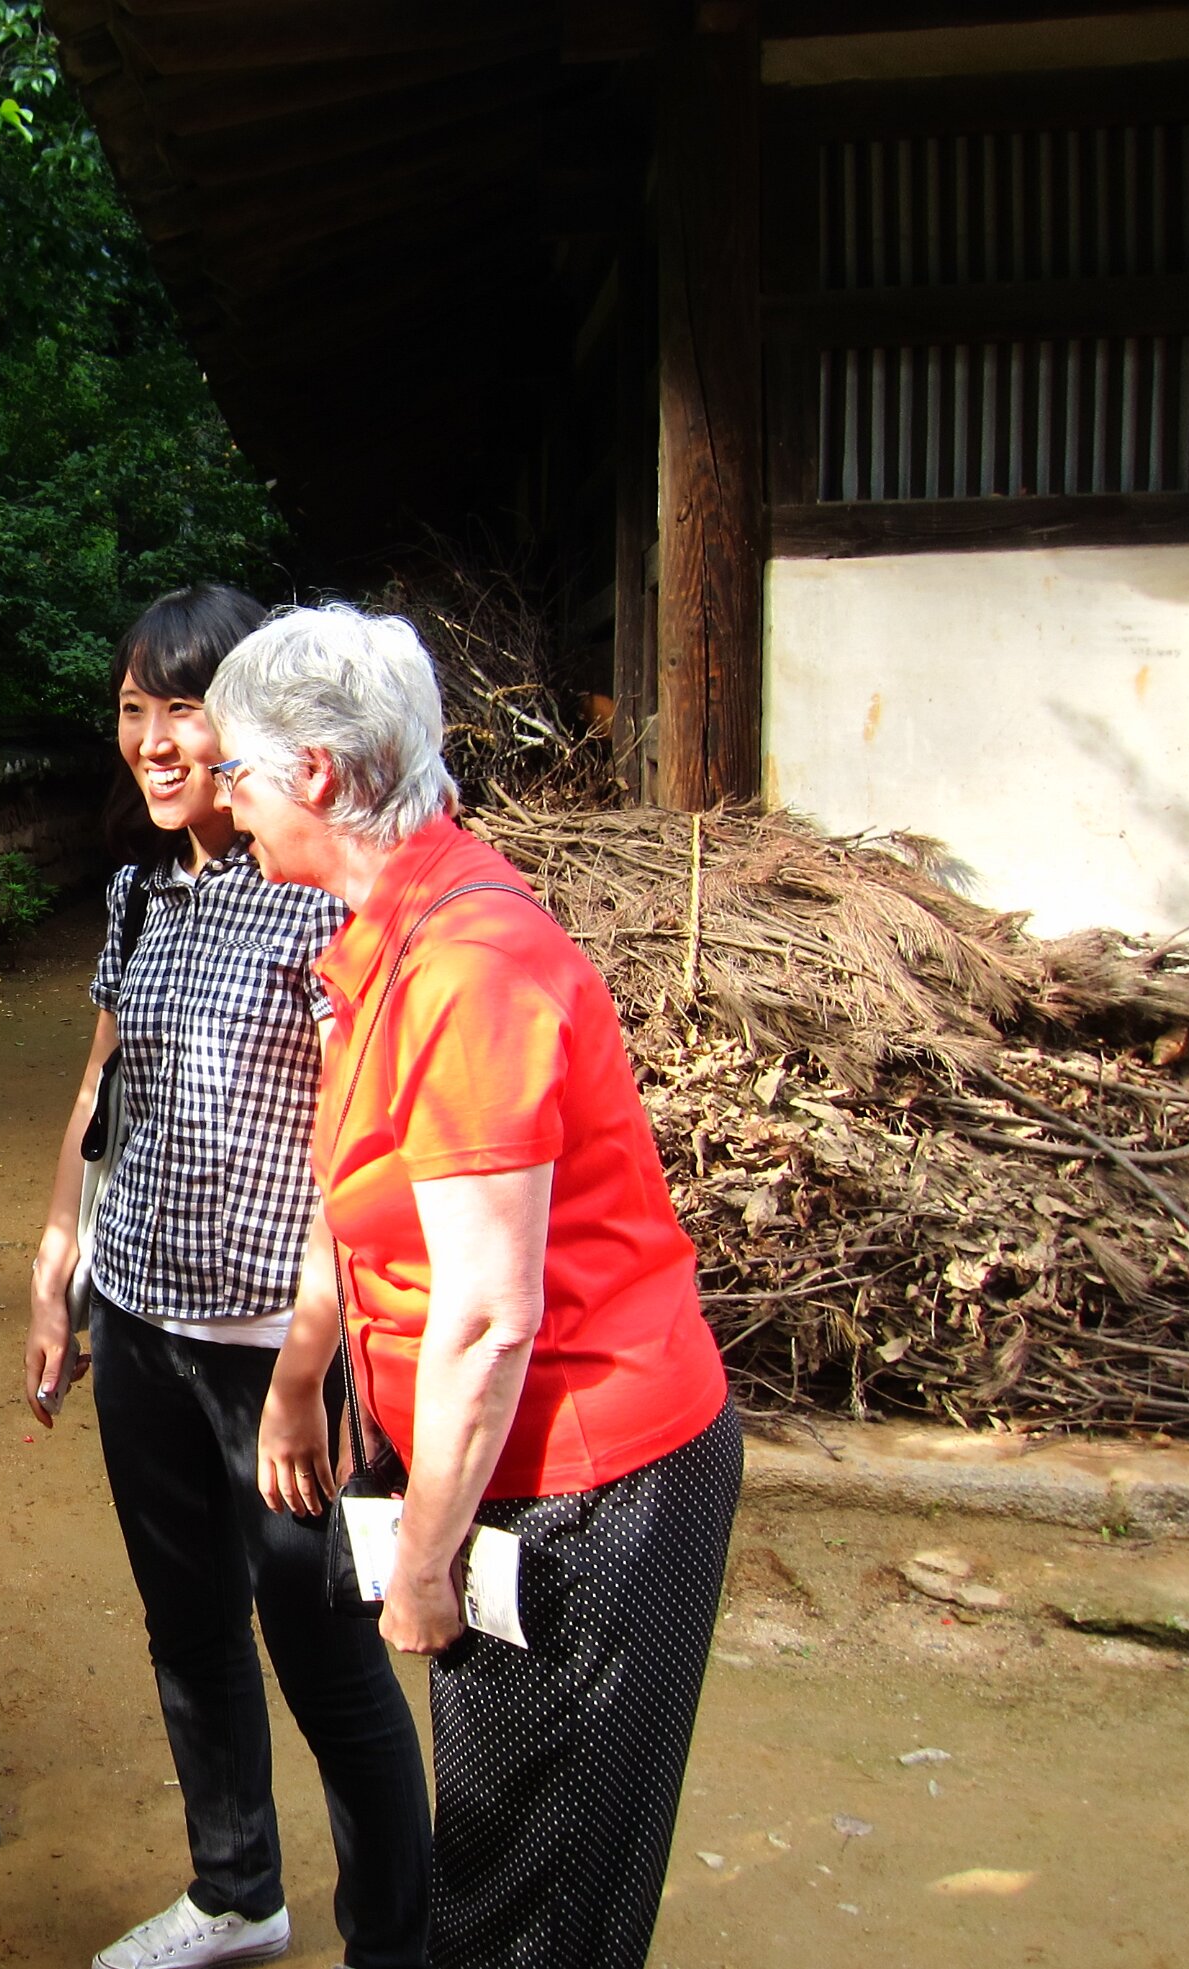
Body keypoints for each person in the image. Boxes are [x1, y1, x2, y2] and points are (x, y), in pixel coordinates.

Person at [207, 605, 742, 1969]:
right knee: (504, 1860)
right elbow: (364, 1200)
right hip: (503, 1464)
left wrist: (428, 1559)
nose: (224, 800)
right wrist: (308, 1376)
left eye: (236, 770)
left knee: (531, 1899)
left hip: (582, 1482)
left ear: (314, 773)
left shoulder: (466, 966)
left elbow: (491, 1312)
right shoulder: (389, 929)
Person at [26, 587, 432, 1969]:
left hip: (279, 1349)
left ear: (253, 723)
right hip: (140, 1319)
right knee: (186, 1624)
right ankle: (235, 1890)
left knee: (327, 1655)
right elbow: (102, 1088)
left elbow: (356, 1145)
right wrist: (57, 1264)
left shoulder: (315, 893)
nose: (152, 740)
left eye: (184, 708)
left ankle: (392, 1941)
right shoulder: (141, 891)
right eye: (131, 709)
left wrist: (311, 1369)